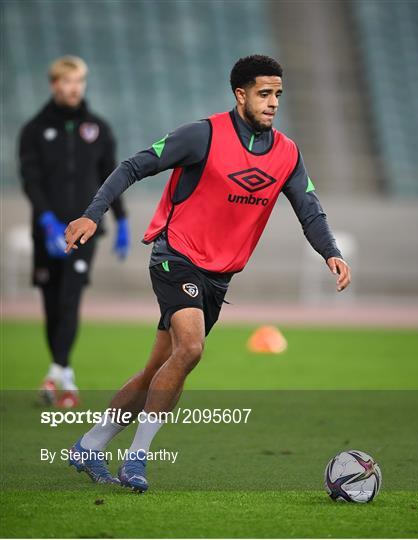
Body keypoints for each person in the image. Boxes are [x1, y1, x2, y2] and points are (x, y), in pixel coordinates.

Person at [64, 55, 351, 490]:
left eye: (278, 94)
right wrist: (91, 214)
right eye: (264, 93)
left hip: (218, 277)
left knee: (157, 370)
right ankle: (137, 459)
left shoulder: (288, 154)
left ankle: (89, 444)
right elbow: (133, 166)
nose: (273, 102)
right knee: (192, 349)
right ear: (240, 95)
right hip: (175, 255)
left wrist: (329, 251)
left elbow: (309, 208)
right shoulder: (202, 135)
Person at [19, 56, 130, 408]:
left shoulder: (98, 128)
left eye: (79, 82)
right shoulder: (35, 130)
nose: (74, 88)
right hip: (47, 231)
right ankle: (63, 376)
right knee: (52, 304)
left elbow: (112, 176)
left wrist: (122, 219)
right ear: (55, 85)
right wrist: (47, 221)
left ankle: (57, 371)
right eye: (67, 82)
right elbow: (31, 181)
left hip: (85, 227)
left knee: (70, 298)